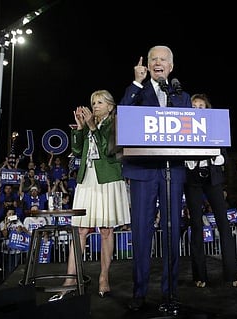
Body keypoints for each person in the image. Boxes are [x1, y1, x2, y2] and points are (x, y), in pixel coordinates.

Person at [119, 45, 192, 311]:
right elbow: (122, 114)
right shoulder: (137, 91)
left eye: (163, 59)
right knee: (141, 233)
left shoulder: (182, 96)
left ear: (171, 67)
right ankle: (139, 293)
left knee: (172, 231)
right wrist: (136, 83)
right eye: (153, 59)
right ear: (147, 65)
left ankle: (170, 292)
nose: (158, 62)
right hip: (142, 171)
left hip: (173, 171)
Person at [49, 90, 130, 302]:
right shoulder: (89, 124)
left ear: (111, 106)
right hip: (87, 180)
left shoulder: (115, 123)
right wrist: (81, 129)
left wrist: (93, 128)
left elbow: (109, 150)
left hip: (108, 180)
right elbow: (77, 151)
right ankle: (70, 279)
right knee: (80, 229)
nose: (95, 106)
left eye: (100, 102)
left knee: (105, 230)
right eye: (93, 102)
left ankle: (104, 278)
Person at [184, 93, 237, 289]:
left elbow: (224, 155)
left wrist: (216, 156)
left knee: (223, 224)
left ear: (207, 109)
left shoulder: (215, 126)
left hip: (213, 178)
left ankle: (233, 274)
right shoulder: (181, 127)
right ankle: (199, 275)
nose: (198, 109)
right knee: (196, 226)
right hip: (192, 179)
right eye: (194, 106)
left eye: (201, 106)